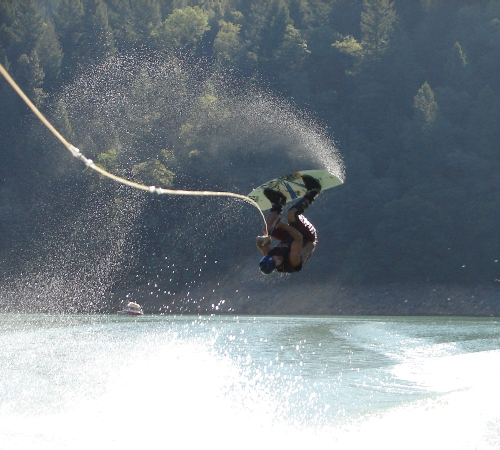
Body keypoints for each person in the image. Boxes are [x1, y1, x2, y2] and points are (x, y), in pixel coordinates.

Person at [256, 175, 321, 274]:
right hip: (307, 237)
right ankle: (313, 191)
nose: (276, 257)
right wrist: (282, 225)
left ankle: (278, 202)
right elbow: (298, 238)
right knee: (291, 215)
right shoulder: (292, 261)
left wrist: (262, 240)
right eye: (276, 261)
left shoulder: (270, 256)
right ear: (276, 267)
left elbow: (260, 244)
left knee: (266, 229)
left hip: (291, 237)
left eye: (273, 257)